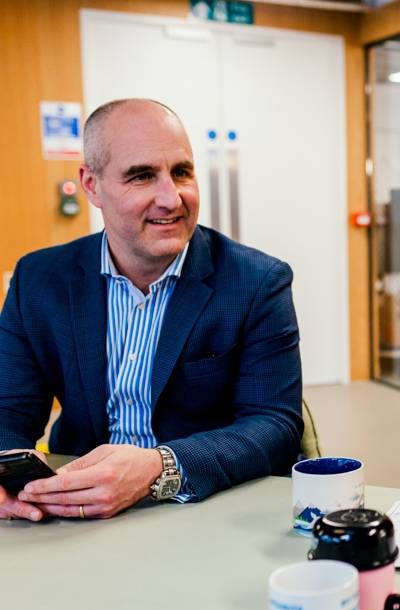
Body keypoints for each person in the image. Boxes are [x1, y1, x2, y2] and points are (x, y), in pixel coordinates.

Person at [0, 99, 303, 521]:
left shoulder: (256, 282)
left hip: (203, 505)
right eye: (142, 176)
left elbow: (274, 425)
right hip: (77, 506)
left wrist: (159, 468)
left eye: (181, 172)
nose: (171, 198)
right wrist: (6, 469)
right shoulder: (39, 279)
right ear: (91, 185)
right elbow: (9, 409)